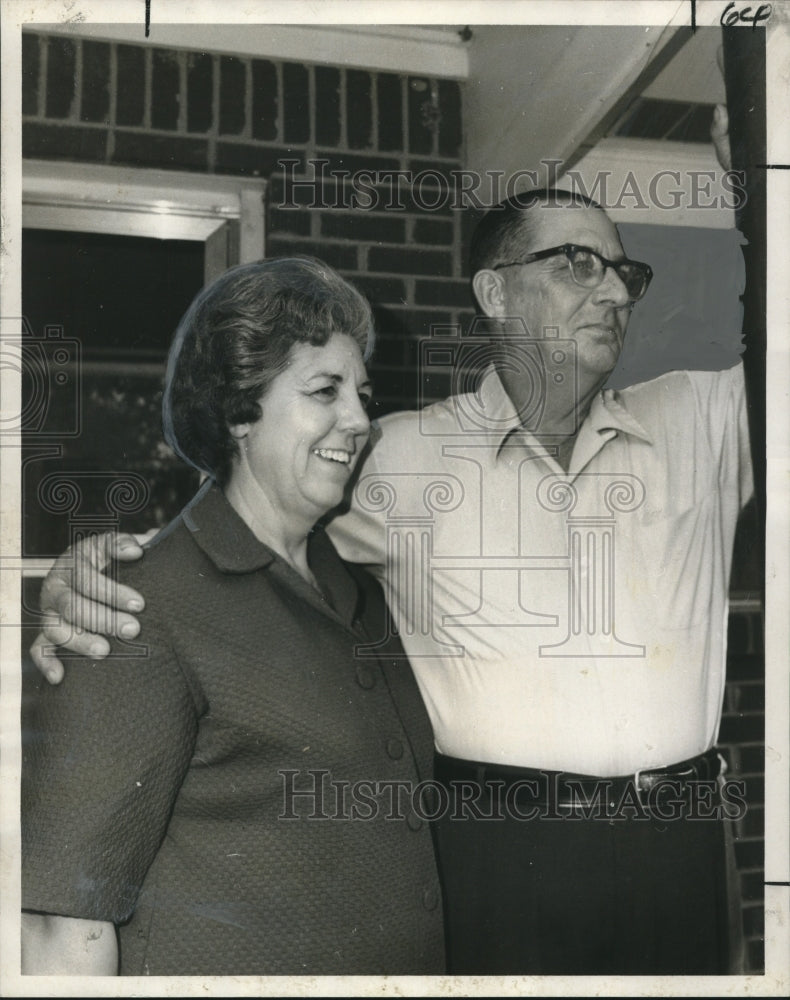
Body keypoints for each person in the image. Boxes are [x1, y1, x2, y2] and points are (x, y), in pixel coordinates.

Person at [31, 191, 752, 975]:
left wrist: (761, 155)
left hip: (685, 844)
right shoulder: (395, 456)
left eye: (623, 272)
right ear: (494, 291)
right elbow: (249, 508)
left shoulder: (703, 419)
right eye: (579, 264)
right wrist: (104, 565)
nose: (613, 291)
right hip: (498, 863)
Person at [21, 256, 445, 976]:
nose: (360, 420)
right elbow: (63, 929)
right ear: (239, 411)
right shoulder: (132, 609)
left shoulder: (360, 596)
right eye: (324, 391)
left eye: (363, 394)